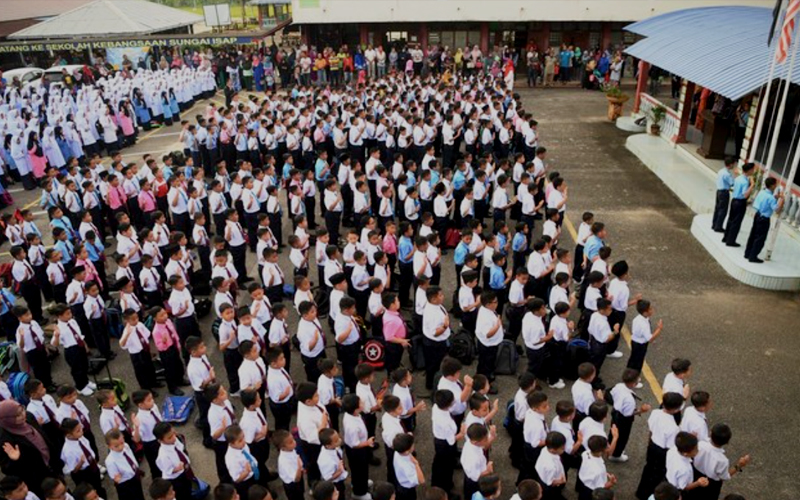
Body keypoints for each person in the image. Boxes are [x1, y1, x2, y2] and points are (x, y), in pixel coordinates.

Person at [0, 401, 61, 498]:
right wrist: (14, 460)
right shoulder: (5, 439)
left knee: (62, 492)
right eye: (17, 415)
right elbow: (7, 469)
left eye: (22, 410)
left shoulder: (29, 417)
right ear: (7, 419)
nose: (22, 415)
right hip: (37, 480)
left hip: (53, 467)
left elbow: (43, 437)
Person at [744, 176, 785, 263]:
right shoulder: (771, 198)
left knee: (753, 235)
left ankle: (747, 253)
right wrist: (782, 199)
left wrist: (776, 198)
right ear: (772, 186)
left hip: (757, 215)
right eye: (775, 184)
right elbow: (777, 210)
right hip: (764, 219)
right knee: (760, 238)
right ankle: (753, 256)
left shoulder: (762, 192)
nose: (776, 186)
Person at [722, 162, 755, 247]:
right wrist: (752, 185)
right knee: (736, 222)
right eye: (752, 170)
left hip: (734, 200)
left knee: (731, 219)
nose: (753, 171)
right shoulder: (745, 181)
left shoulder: (738, 178)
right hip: (740, 202)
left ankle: (726, 237)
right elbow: (745, 194)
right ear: (749, 170)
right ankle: (731, 240)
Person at [712, 157, 736, 233]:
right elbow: (732, 183)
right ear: (731, 164)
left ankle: (714, 224)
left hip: (719, 191)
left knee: (717, 208)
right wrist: (735, 175)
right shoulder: (727, 174)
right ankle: (718, 226)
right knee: (723, 210)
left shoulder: (721, 171)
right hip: (724, 192)